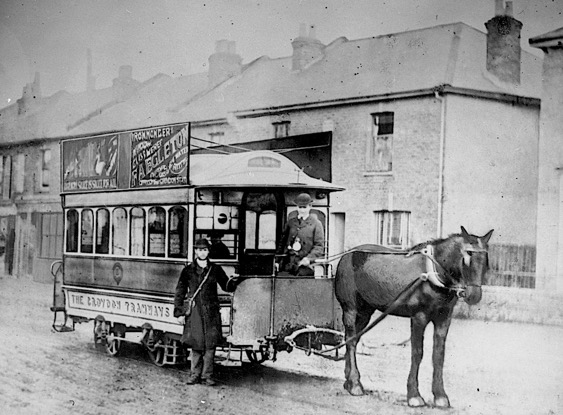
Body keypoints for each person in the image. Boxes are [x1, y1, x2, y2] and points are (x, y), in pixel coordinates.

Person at [174, 238, 239, 386]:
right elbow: (180, 291)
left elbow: (227, 286)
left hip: (211, 312)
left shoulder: (215, 269)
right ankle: (194, 375)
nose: (202, 252)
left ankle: (207, 376)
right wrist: (178, 312)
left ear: (208, 251)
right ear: (195, 251)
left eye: (205, 250)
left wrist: (235, 281)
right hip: (195, 311)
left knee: (210, 345)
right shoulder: (188, 270)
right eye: (199, 250)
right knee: (196, 344)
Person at [276, 193, 325, 276]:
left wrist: (308, 258)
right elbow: (282, 243)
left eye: (304, 207)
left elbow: (319, 246)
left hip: (305, 267)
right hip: (288, 265)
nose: (302, 210)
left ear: (310, 206)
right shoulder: (290, 223)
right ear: (297, 207)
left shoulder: (316, 224)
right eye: (300, 207)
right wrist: (277, 261)